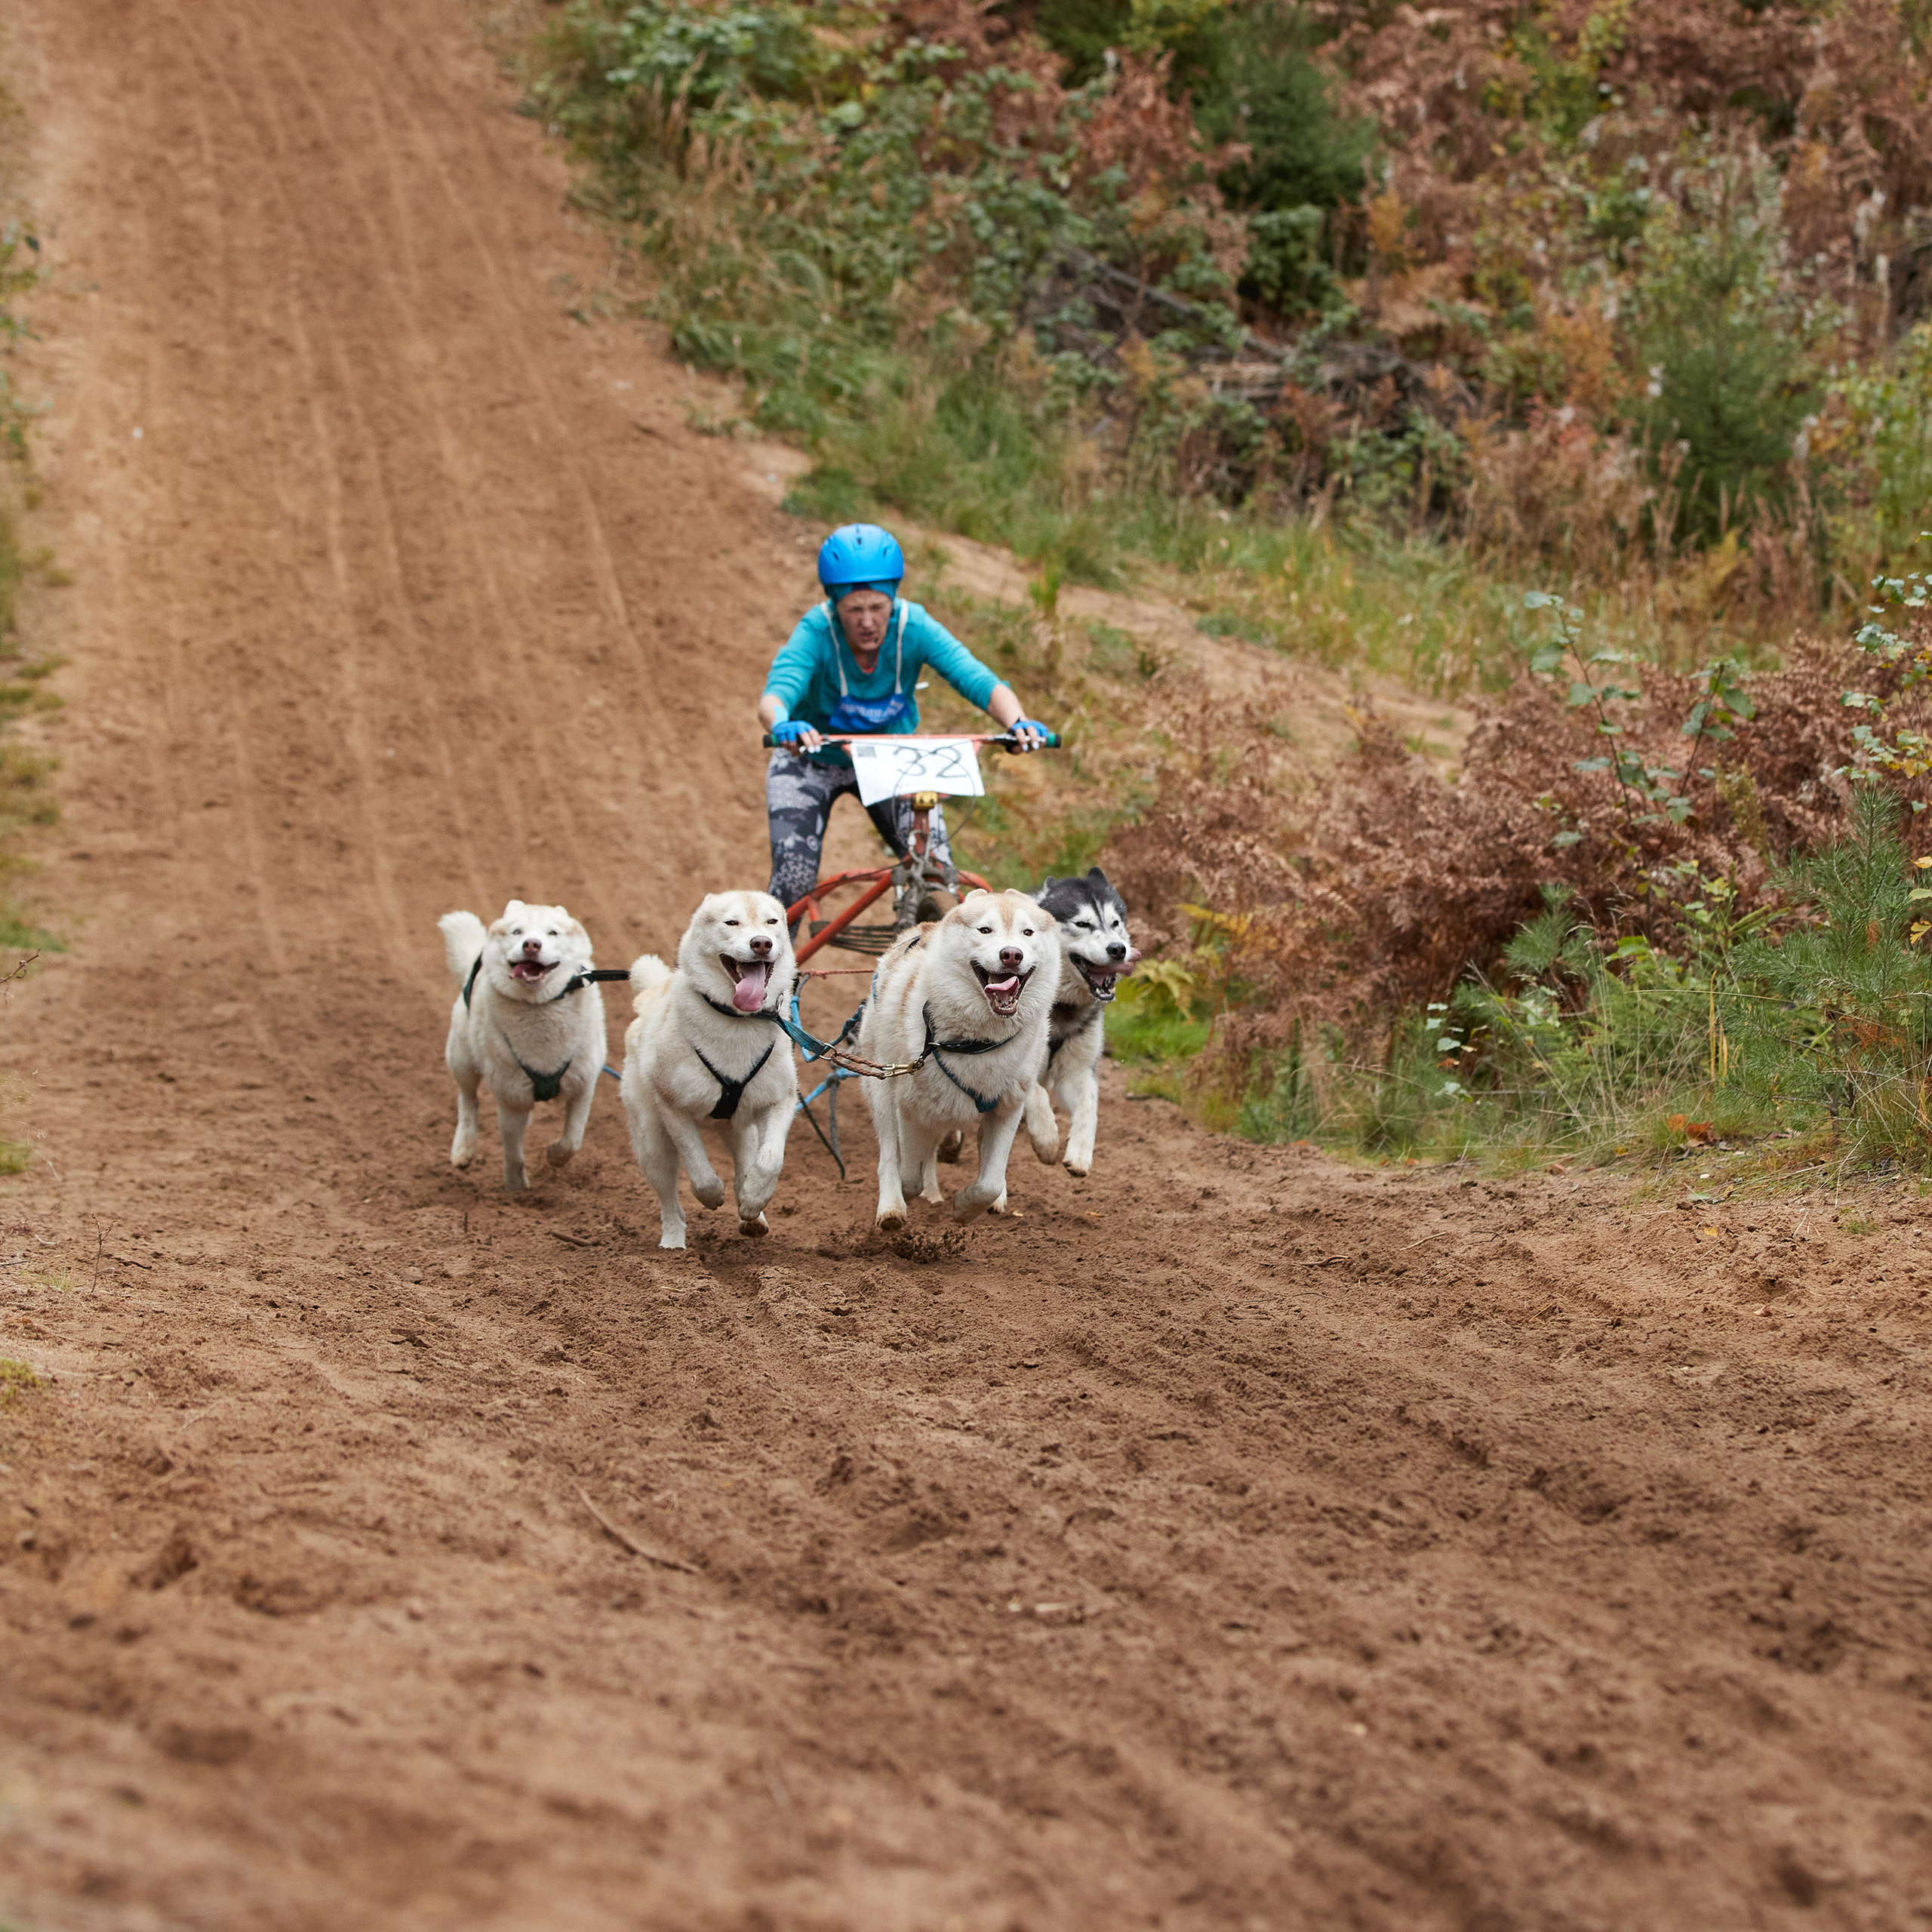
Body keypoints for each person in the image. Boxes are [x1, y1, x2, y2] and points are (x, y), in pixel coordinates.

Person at [758, 522, 1048, 912]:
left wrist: (1017, 722)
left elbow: (975, 677)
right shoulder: (816, 629)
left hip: (890, 757)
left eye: (877, 607)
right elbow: (778, 692)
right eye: (854, 610)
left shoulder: (914, 626)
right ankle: (773, 969)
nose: (867, 621)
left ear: (893, 600)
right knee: (793, 879)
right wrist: (783, 725)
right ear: (833, 605)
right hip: (809, 760)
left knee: (938, 874)